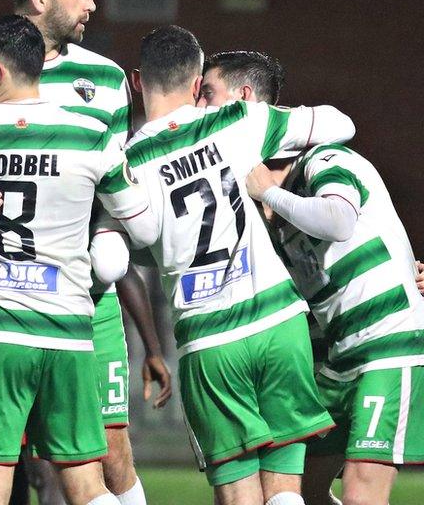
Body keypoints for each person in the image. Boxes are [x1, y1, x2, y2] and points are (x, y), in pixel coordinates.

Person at [0, 0, 171, 505]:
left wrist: (108, 232)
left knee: (109, 451)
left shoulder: (104, 80)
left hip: (83, 292)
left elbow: (111, 189)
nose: (92, 4)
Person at [124, 25, 362, 505]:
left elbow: (126, 247)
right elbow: (341, 124)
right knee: (286, 492)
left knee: (238, 496)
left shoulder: (128, 160)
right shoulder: (237, 121)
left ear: (136, 82)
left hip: (210, 340)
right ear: (196, 85)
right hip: (280, 324)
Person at [202, 50, 424, 505]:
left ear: (245, 101)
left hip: (388, 344)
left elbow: (339, 220)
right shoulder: (269, 216)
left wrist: (269, 193)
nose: (200, 109)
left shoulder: (325, 160)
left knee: (363, 491)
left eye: (207, 94)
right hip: (338, 361)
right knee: (296, 489)